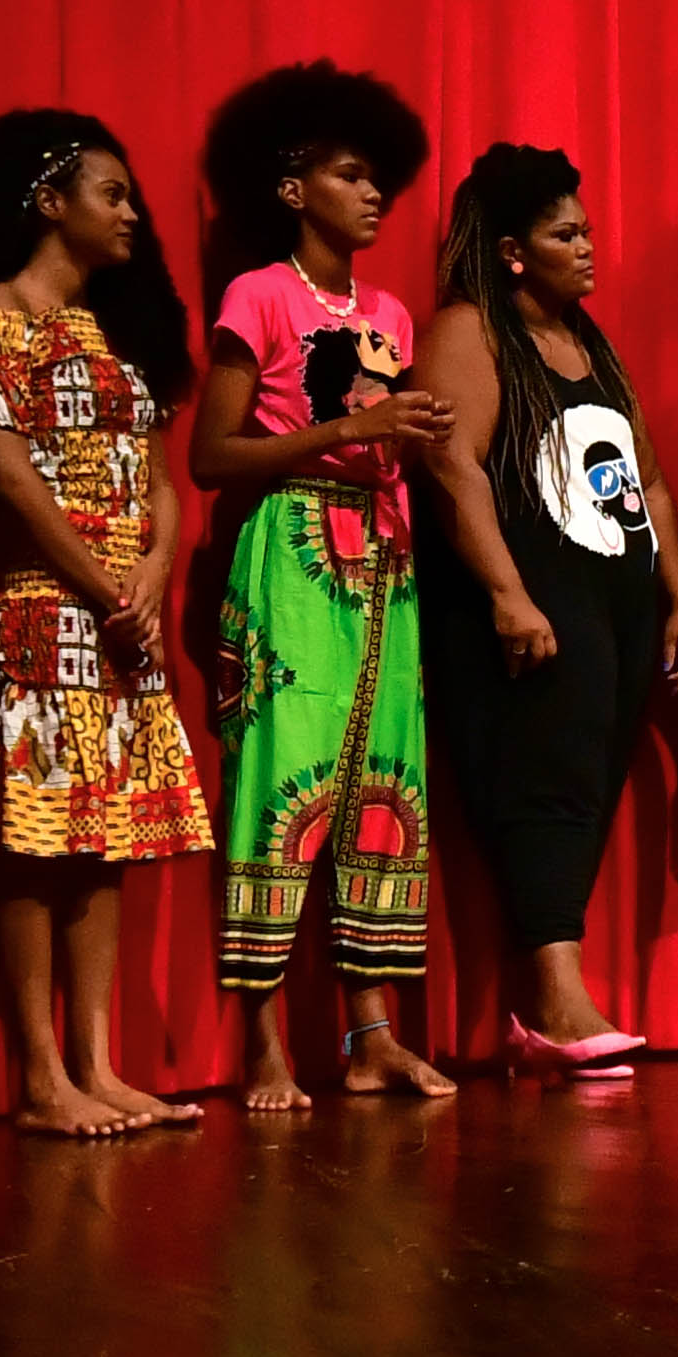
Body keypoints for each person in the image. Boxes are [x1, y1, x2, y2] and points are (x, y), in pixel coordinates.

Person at [0, 109, 212, 1135]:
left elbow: (159, 477)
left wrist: (154, 571)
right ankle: (41, 1078)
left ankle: (97, 1061)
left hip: (123, 609)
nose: (132, 214)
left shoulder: (113, 328)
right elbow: (8, 474)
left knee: (105, 835)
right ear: (50, 201)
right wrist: (103, 586)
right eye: (112, 194)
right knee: (38, 836)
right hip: (43, 603)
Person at [190, 61, 460, 1111]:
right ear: (294, 188)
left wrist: (409, 437)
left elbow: (382, 436)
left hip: (384, 557)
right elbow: (212, 456)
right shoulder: (256, 295)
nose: (373, 192)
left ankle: (371, 1038)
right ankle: (263, 1046)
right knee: (281, 779)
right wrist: (354, 426)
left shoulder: (388, 308)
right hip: (291, 545)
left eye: (377, 176)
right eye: (350, 174)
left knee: (384, 788)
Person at [411, 144, 678, 1078]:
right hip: (536, 601)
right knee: (543, 790)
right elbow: (452, 465)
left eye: (586, 231)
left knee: (586, 788)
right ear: (511, 251)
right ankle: (554, 1002)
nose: (587, 248)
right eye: (564, 234)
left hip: (614, 604)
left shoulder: (589, 342)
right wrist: (507, 593)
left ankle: (550, 1006)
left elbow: (650, 482)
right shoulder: (469, 329)